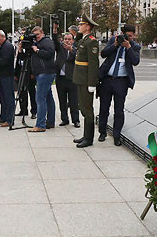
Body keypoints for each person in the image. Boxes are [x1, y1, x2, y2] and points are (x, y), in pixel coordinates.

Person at [97, 24, 141, 146]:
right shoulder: (113, 40)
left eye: (131, 36)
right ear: (122, 33)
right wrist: (115, 45)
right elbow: (104, 54)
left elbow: (135, 61)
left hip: (121, 81)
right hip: (107, 79)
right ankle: (102, 132)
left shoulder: (135, 46)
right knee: (103, 108)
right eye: (127, 36)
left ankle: (117, 135)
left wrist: (128, 47)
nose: (129, 38)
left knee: (119, 110)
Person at [72, 16, 101, 148]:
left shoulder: (92, 42)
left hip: (85, 80)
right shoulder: (84, 39)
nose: (79, 26)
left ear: (88, 26)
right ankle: (85, 135)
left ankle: (89, 139)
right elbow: (76, 41)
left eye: (81, 24)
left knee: (87, 109)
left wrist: (92, 83)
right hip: (80, 78)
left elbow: (94, 65)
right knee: (83, 107)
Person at [28, 26, 56, 132]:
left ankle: (40, 125)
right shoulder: (37, 43)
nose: (36, 37)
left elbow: (50, 54)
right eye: (34, 36)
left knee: (40, 99)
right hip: (43, 73)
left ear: (42, 33)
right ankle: (50, 122)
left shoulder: (46, 41)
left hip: (45, 73)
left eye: (38, 35)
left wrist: (37, 50)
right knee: (48, 98)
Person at [55, 32, 80, 128]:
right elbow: (55, 41)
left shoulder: (76, 50)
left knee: (74, 101)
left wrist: (71, 50)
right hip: (60, 79)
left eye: (69, 39)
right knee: (62, 101)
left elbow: (77, 57)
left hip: (72, 79)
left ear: (73, 41)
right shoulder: (60, 48)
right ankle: (64, 119)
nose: (67, 41)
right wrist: (55, 30)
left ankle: (76, 120)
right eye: (65, 39)